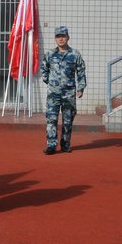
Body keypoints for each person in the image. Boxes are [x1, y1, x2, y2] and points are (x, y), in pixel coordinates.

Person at [41, 26, 87, 155]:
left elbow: (81, 72)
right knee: (51, 119)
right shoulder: (50, 54)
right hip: (53, 93)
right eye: (58, 36)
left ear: (68, 37)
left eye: (63, 36)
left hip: (69, 93)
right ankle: (51, 145)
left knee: (68, 120)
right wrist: (50, 82)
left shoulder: (75, 54)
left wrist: (81, 88)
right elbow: (44, 70)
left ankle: (65, 144)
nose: (61, 39)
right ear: (55, 39)